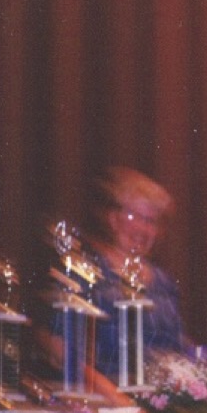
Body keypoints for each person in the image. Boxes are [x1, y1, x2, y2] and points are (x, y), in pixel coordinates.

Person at [51, 167, 188, 400]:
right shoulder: (86, 273)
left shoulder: (163, 283)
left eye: (151, 221)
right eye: (134, 216)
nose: (143, 229)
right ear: (113, 219)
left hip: (157, 405)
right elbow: (57, 347)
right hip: (99, 403)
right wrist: (113, 395)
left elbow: (176, 349)